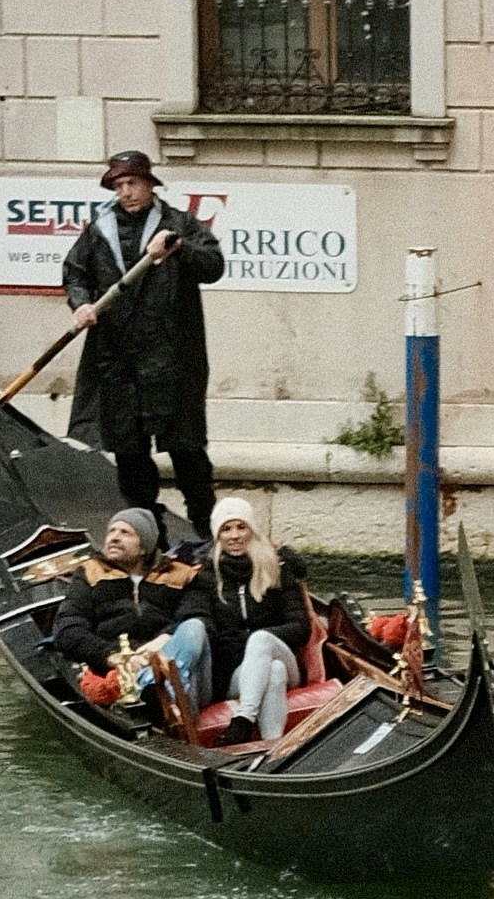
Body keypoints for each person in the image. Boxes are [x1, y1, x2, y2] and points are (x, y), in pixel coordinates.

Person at [64, 153, 225, 538]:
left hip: (172, 359)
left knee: (187, 450)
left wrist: (180, 249)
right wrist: (80, 302)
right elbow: (75, 273)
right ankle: (149, 536)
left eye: (132, 184)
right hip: (118, 360)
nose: (126, 192)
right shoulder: (98, 229)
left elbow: (214, 266)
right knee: (130, 454)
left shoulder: (178, 225)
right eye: (118, 186)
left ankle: (205, 531)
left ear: (150, 184)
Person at [41, 505, 210, 713]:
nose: (113, 537)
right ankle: (156, 692)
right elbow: (67, 630)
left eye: (125, 532)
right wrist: (114, 657)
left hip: (169, 659)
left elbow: (199, 616)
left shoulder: (182, 576)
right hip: (116, 669)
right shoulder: (89, 574)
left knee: (194, 627)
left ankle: (155, 689)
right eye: (111, 531)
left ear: (144, 547)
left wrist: (162, 642)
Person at [195, 492, 317, 750]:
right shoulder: (206, 578)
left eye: (242, 527)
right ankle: (272, 747)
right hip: (235, 674)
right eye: (226, 529)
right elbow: (207, 630)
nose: (235, 535)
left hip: (282, 654)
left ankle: (243, 720)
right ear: (217, 536)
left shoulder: (277, 569)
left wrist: (255, 640)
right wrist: (244, 644)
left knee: (261, 640)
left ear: (252, 530)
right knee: (273, 672)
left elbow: (300, 628)